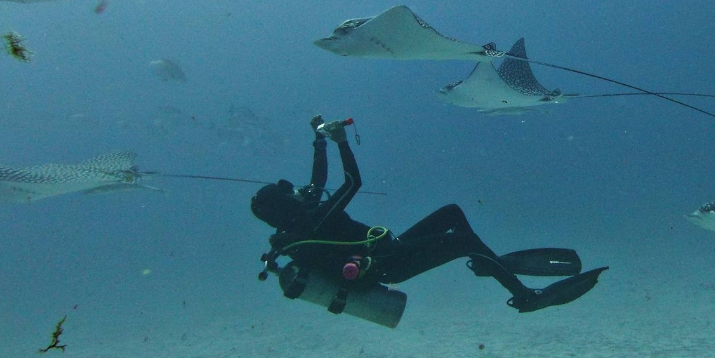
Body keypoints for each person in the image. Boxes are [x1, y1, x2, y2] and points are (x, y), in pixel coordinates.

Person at [251, 115, 605, 326]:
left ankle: (487, 263)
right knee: (462, 241)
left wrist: (319, 140)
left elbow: (317, 182)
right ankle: (524, 296)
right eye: (289, 194)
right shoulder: (313, 222)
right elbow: (353, 182)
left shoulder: (302, 222)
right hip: (386, 265)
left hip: (388, 250)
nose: (297, 192)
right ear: (284, 206)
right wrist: (343, 141)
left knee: (451, 212)